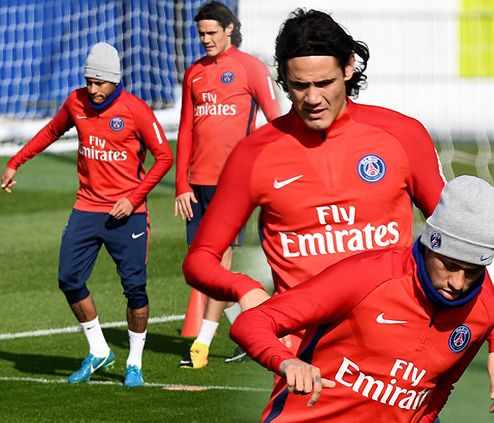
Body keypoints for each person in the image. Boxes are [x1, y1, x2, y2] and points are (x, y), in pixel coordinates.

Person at [182, 8, 446, 357]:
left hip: (397, 357)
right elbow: (200, 259)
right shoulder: (254, 154)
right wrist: (243, 287)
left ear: (348, 68)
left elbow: (459, 239)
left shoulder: (402, 135)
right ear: (284, 80)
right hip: (304, 362)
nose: (312, 98)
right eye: (299, 85)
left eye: (324, 83)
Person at [232, 175, 494, 422]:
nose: (458, 283)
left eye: (472, 271)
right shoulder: (366, 277)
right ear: (429, 244)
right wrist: (285, 361)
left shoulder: (483, 310)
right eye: (448, 265)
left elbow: (440, 388)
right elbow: (253, 321)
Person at [0, 42, 173, 388]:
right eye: (89, 81)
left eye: (99, 83)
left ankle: (134, 363)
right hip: (87, 208)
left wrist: (134, 197)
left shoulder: (136, 110)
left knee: (135, 291)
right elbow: (51, 131)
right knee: (69, 279)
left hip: (129, 215)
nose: (92, 89)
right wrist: (16, 161)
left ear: (114, 81)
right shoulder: (76, 102)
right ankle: (98, 350)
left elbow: (164, 156)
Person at [175, 0, 282, 369]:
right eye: (200, 34)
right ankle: (258, 318)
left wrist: (264, 170)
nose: (205, 39)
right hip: (196, 182)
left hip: (233, 183)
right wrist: (180, 185)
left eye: (211, 33)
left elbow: (275, 122)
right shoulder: (194, 73)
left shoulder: (250, 68)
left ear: (229, 30)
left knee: (217, 259)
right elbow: (186, 129)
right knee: (200, 264)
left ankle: (202, 346)